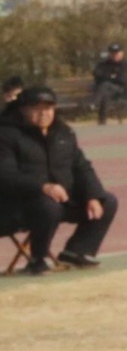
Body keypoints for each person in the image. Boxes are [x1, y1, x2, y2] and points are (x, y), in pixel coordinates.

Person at [0, 86, 113, 270]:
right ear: (23, 109)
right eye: (36, 108)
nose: (44, 113)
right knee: (48, 205)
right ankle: (38, 258)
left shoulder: (63, 133)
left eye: (48, 108)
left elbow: (81, 167)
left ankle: (77, 252)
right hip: (15, 207)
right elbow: (5, 175)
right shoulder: (6, 134)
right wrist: (43, 187)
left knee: (107, 201)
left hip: (60, 202)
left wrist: (93, 195)